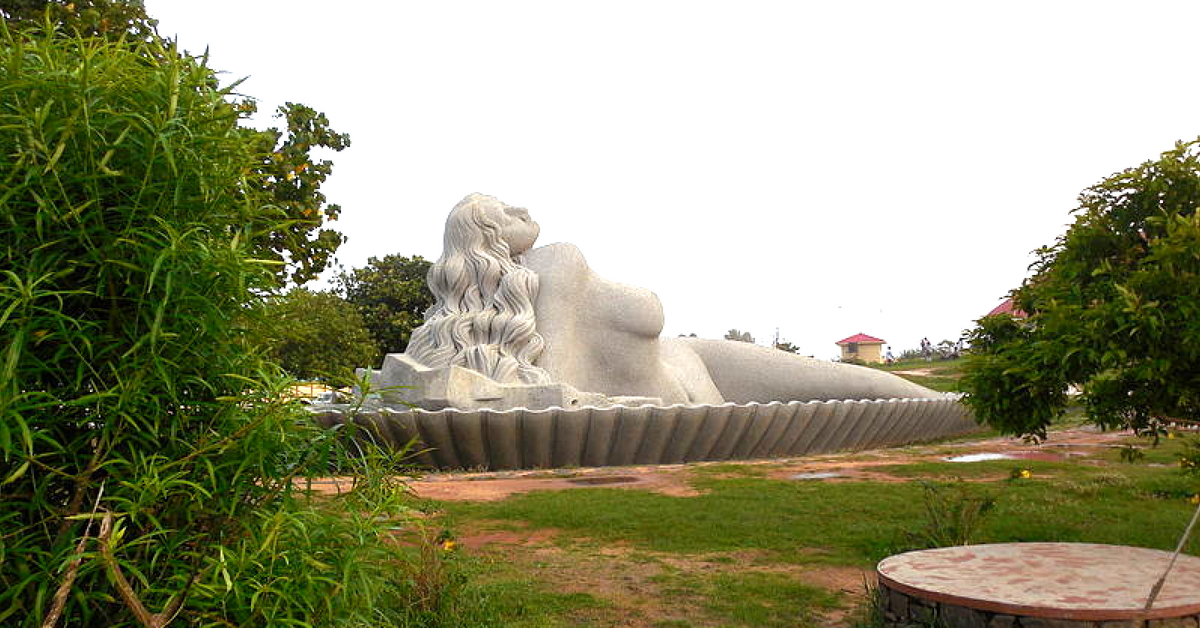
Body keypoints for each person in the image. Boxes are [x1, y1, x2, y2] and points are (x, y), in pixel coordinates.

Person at [406, 194, 942, 405]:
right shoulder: (556, 262)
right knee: (867, 389)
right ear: (489, 235)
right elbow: (560, 390)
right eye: (505, 211)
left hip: (688, 359)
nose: (521, 208)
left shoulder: (471, 313)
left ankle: (951, 403)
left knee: (865, 387)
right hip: (687, 389)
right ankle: (948, 406)